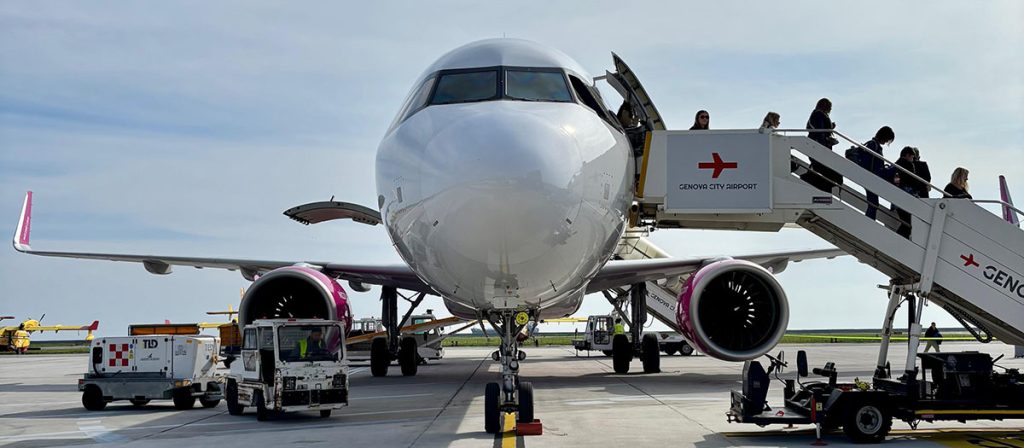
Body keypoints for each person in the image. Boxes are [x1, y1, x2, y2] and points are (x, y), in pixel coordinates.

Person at [802, 98, 841, 192]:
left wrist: (830, 126)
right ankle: (824, 191)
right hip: (818, 145)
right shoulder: (819, 114)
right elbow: (820, 131)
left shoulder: (816, 114)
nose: (830, 109)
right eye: (829, 106)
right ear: (825, 106)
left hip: (816, 144)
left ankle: (822, 189)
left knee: (820, 168)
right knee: (824, 170)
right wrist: (824, 147)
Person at [861, 126, 896, 220]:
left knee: (873, 203)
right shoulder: (873, 145)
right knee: (873, 204)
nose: (886, 142)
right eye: (887, 139)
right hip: (871, 178)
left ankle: (868, 223)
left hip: (871, 178)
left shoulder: (874, 145)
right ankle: (868, 223)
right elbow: (869, 163)